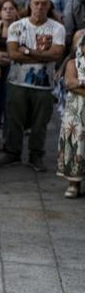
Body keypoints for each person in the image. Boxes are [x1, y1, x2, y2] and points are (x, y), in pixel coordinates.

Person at [0, 0, 64, 171]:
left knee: (40, 122)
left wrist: (27, 52)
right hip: (17, 82)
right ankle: (13, 152)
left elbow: (57, 54)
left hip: (44, 85)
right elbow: (12, 54)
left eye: (44, 4)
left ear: (49, 6)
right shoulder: (17, 26)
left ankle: (36, 155)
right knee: (14, 120)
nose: (39, 7)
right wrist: (43, 57)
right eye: (36, 3)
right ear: (30, 5)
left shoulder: (57, 28)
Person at [58, 31, 85, 197]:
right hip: (76, 111)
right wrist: (80, 83)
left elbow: (76, 84)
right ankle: (73, 183)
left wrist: (80, 83)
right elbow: (70, 83)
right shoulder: (73, 63)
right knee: (77, 144)